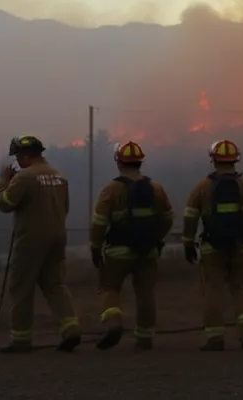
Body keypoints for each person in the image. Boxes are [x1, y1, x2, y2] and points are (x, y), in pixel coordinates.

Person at [0, 135, 82, 353]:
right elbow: (66, 207)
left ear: (25, 155)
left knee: (21, 288)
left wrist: (3, 181)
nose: (17, 161)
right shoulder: (60, 176)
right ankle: (71, 329)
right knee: (55, 285)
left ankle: (21, 340)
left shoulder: (25, 177)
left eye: (17, 156)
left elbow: (4, 204)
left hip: (31, 239)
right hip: (58, 236)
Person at [181, 139, 243, 351]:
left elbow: (190, 217)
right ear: (236, 160)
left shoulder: (203, 187)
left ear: (213, 160)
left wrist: (188, 243)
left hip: (212, 247)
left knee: (213, 290)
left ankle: (215, 338)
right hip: (242, 245)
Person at [89, 141, 174, 351]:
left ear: (118, 162)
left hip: (117, 252)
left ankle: (114, 324)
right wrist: (157, 238)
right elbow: (168, 218)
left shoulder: (111, 189)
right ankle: (145, 339)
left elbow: (99, 222)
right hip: (148, 251)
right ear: (140, 162)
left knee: (109, 288)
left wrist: (95, 246)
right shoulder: (156, 188)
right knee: (145, 293)